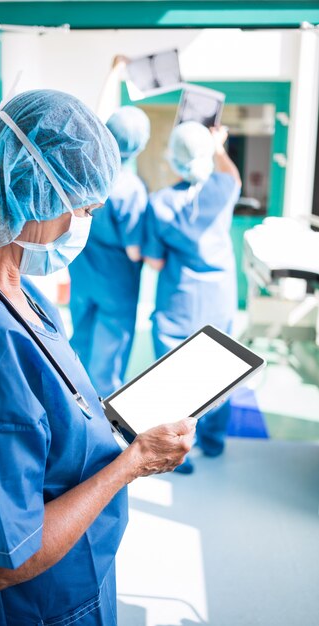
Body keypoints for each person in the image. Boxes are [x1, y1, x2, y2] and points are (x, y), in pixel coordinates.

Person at [0, 90, 196, 626]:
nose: (87, 216)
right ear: (32, 190)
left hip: (70, 587)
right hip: (30, 609)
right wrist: (132, 463)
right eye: (81, 204)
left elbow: (43, 401)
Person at [143, 121, 241, 474]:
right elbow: (233, 174)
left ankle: (177, 452)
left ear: (174, 159)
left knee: (175, 374)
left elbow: (154, 261)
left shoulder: (159, 202)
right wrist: (218, 146)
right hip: (219, 295)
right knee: (220, 367)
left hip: (179, 296)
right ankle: (213, 442)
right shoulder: (222, 189)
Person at [69, 105, 150, 398]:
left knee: (78, 347)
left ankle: (73, 409)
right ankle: (104, 431)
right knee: (108, 362)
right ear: (141, 144)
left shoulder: (87, 174)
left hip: (83, 276)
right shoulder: (131, 190)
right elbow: (134, 251)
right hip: (116, 285)